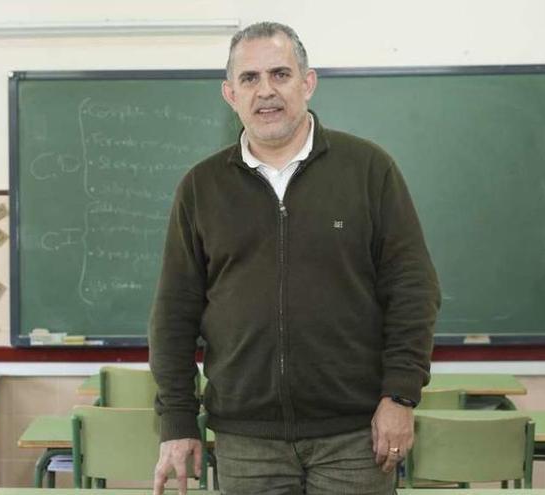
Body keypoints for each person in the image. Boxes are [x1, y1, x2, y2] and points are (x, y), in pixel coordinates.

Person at [149, 21, 441, 494]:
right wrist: (178, 421)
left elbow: (413, 290)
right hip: (246, 442)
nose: (266, 91)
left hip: (356, 437)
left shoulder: (368, 170)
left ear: (308, 83)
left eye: (280, 74)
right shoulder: (201, 188)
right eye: (249, 79)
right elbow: (173, 313)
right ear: (229, 94)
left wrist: (400, 396)